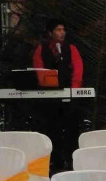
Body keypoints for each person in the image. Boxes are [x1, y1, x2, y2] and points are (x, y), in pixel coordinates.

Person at [32, 19, 84, 172]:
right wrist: (46, 85)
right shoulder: (41, 49)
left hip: (69, 95)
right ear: (50, 33)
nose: (62, 33)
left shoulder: (71, 48)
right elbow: (39, 69)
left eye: (63, 29)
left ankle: (72, 161)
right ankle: (55, 162)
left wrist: (74, 89)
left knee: (72, 128)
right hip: (49, 96)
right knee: (51, 129)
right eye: (58, 30)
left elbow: (78, 68)